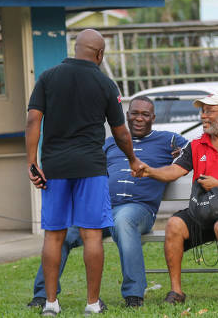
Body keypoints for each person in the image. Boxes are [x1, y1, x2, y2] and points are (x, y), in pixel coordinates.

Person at [27, 96, 187, 309]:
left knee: (123, 221)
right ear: (127, 116)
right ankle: (42, 295)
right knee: (62, 232)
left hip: (137, 209)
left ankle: (133, 295)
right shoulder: (111, 143)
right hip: (99, 208)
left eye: (145, 115)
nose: (139, 118)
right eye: (135, 113)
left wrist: (181, 154)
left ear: (153, 118)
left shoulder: (169, 140)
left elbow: (196, 152)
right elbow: (87, 166)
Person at [25, 29, 142, 316]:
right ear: (99, 54)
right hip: (90, 167)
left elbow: (32, 120)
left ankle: (50, 304)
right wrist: (133, 160)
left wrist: (32, 163)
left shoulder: (48, 77)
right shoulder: (105, 83)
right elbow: (121, 133)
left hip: (55, 168)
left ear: (76, 48)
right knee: (92, 235)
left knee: (54, 235)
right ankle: (92, 303)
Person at [134, 94, 218, 304]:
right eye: (202, 111)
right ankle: (176, 292)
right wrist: (149, 171)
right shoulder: (196, 145)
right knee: (174, 224)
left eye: (209, 111)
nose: (203, 116)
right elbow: (174, 170)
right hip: (204, 209)